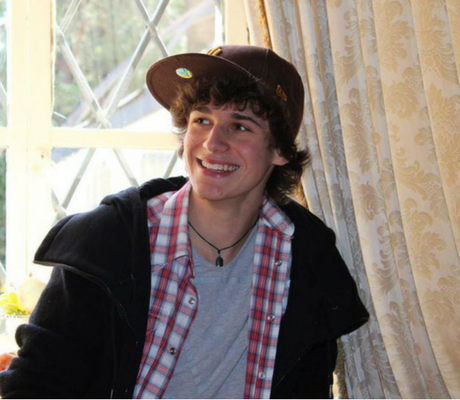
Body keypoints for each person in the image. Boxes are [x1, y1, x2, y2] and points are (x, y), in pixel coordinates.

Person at [0, 45, 369, 399]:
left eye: (240, 126)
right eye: (202, 120)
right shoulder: (107, 241)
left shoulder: (307, 256)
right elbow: (34, 387)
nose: (212, 143)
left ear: (280, 151)